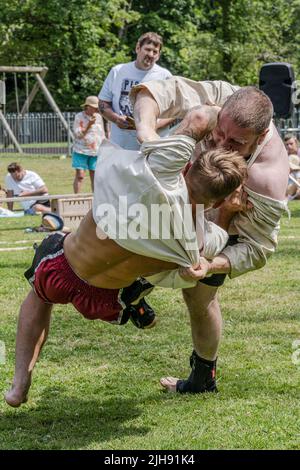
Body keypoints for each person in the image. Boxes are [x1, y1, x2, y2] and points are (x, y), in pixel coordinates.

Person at [4, 107, 248, 407]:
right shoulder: (196, 240)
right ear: (220, 199)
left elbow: (200, 117)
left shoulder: (163, 168)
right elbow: (218, 240)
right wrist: (225, 213)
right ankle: (135, 306)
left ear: (187, 167)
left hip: (63, 270)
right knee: (152, 273)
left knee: (40, 292)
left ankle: (19, 385)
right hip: (108, 302)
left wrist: (219, 124)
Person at [130, 76, 289, 393]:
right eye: (220, 133)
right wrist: (148, 134)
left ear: (258, 139)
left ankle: (203, 378)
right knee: (136, 247)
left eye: (235, 144)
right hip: (179, 193)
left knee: (198, 298)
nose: (220, 145)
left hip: (224, 225)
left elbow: (258, 249)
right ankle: (132, 294)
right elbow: (155, 91)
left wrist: (211, 266)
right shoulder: (222, 99)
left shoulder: (266, 178)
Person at [98, 32, 173, 150]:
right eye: (147, 49)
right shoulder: (117, 71)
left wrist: (152, 126)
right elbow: (103, 103)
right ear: (138, 48)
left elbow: (175, 110)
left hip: (153, 147)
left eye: (155, 52)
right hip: (121, 147)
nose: (151, 54)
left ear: (158, 55)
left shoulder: (165, 76)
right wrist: (116, 119)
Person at [72, 96, 105, 193]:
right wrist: (89, 124)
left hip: (95, 151)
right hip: (81, 150)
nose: (96, 109)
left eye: (97, 108)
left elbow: (101, 133)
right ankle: (76, 198)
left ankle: (95, 198)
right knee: (80, 176)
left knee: (95, 176)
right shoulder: (79, 117)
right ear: (87, 106)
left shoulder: (99, 117)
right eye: (94, 107)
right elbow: (78, 134)